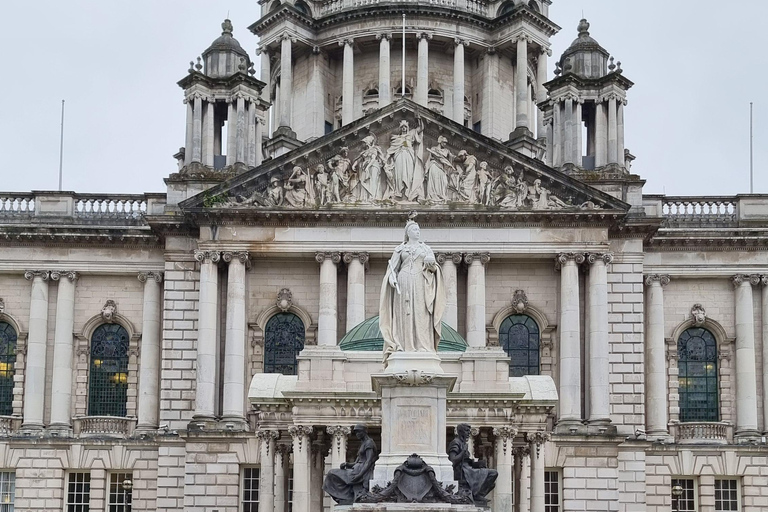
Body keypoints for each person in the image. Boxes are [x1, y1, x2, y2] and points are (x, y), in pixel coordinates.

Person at [379, 216, 446, 367]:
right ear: (408, 232)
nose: (417, 231)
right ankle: (404, 345)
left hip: (421, 282)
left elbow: (434, 268)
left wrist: (432, 265)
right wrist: (391, 279)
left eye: (418, 229)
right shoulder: (400, 249)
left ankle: (423, 346)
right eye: (414, 229)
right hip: (403, 282)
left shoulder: (426, 249)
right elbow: (392, 269)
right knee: (404, 314)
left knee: (422, 313)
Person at [323, 424, 378, 505]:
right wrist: (347, 464)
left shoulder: (369, 443)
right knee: (331, 474)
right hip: (356, 469)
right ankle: (345, 497)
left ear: (364, 432)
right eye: (356, 432)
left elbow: (369, 461)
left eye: (359, 432)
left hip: (360, 471)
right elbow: (356, 463)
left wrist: (360, 475)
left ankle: (345, 496)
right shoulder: (363, 443)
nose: (357, 434)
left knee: (331, 473)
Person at [448, 423, 498, 505]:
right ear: (461, 431)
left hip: (468, 469)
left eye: (469, 431)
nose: (468, 433)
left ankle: (477, 495)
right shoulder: (456, 442)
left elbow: (466, 460)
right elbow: (452, 460)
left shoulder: (463, 443)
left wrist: (477, 464)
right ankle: (477, 495)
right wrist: (463, 451)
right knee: (492, 473)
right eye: (467, 431)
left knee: (492, 482)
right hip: (463, 472)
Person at [385, 119, 425, 201]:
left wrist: (419, 118)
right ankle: (398, 192)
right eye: (402, 127)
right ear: (400, 128)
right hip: (399, 156)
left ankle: (409, 192)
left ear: (407, 128)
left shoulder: (411, 134)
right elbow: (391, 150)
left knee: (409, 174)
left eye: (405, 127)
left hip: (408, 156)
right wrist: (385, 159)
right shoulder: (397, 138)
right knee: (399, 174)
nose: (404, 128)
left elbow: (421, 128)